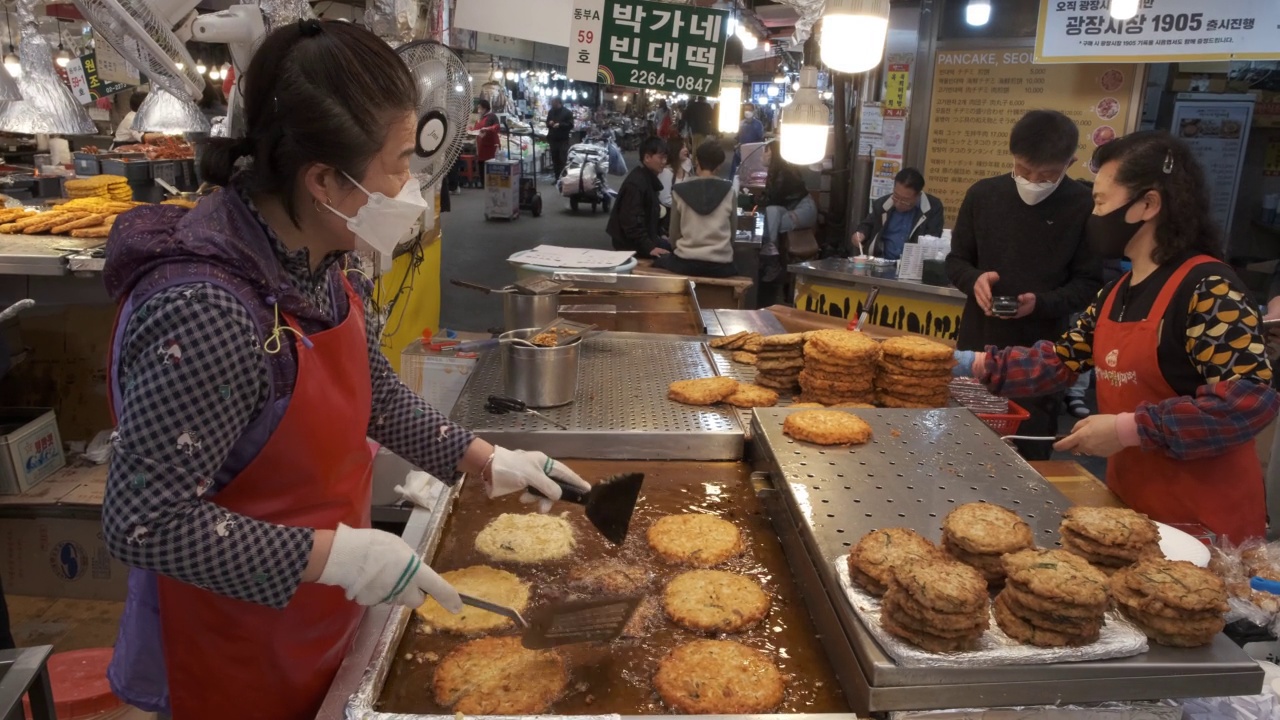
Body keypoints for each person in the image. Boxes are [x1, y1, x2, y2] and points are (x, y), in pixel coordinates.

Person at [100, 20, 591, 720]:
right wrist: (335, 557)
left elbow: (373, 396)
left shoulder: (321, 261)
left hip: (321, 622)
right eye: (397, 162)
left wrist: (484, 459)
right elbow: (142, 525)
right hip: (227, 653)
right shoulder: (208, 310)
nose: (411, 184)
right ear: (324, 179)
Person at [955, 131, 1277, 543]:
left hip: (1207, 525)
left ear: (1148, 204)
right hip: (1132, 510)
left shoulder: (1208, 288)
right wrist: (970, 363)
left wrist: (1129, 429)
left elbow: (1249, 401)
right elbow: (1060, 360)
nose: (1094, 215)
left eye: (1102, 202)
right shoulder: (1117, 292)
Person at [945, 109, 1101, 460]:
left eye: (1045, 175)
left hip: (1041, 360)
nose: (1031, 180)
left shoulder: (1083, 205)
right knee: (964, 445)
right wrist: (975, 280)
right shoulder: (984, 195)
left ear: (1070, 162)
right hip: (978, 345)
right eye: (1022, 169)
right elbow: (956, 261)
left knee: (1028, 454)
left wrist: (1041, 303)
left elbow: (1089, 283)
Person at [656, 140, 737, 279]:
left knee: (656, 263)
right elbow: (733, 234)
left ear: (697, 161)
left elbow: (674, 235)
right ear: (719, 166)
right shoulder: (730, 191)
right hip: (720, 264)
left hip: (686, 262)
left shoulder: (679, 191)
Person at [758, 140, 816, 298]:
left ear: (773, 153)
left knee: (769, 222)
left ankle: (771, 261)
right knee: (771, 215)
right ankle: (771, 258)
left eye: (765, 151)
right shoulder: (777, 171)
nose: (762, 155)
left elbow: (772, 198)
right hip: (790, 208)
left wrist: (752, 202)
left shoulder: (783, 173)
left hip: (805, 210)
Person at [852, 167, 944, 260]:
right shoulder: (883, 204)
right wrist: (861, 234)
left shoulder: (932, 207)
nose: (898, 203)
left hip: (913, 265)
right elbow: (868, 225)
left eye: (905, 200)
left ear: (918, 195)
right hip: (882, 262)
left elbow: (933, 237)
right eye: (896, 196)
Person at [607, 136, 667, 259]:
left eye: (665, 157)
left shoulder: (647, 179)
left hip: (642, 240)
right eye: (660, 157)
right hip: (630, 245)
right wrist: (649, 247)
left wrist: (661, 234)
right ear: (647, 158)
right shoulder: (636, 184)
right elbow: (631, 223)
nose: (664, 162)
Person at [472, 98, 501, 187]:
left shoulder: (492, 116)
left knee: (490, 165)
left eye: (479, 108)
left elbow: (497, 127)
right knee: (481, 164)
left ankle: (491, 184)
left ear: (485, 108)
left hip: (491, 146)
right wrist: (471, 130)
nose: (478, 110)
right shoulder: (480, 118)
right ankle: (483, 183)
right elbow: (476, 129)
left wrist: (488, 129)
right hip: (481, 146)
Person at [657, 136, 691, 211]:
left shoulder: (686, 168)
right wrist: (685, 206)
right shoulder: (667, 172)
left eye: (686, 147)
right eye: (682, 147)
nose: (686, 150)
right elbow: (665, 199)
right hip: (672, 214)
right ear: (675, 150)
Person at [546, 97, 574, 181]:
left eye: (553, 102)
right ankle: (557, 178)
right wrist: (549, 123)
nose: (551, 104)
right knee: (555, 160)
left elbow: (570, 125)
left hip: (563, 140)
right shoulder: (551, 111)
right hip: (553, 139)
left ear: (558, 102)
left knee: (562, 159)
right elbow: (547, 122)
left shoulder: (567, 113)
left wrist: (560, 125)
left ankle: (563, 179)